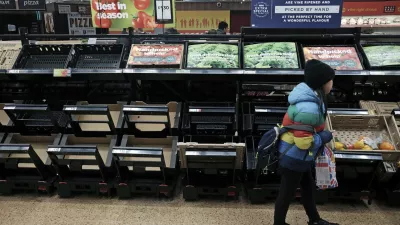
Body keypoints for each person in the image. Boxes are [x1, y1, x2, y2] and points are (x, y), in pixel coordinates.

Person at [274, 59, 338, 225]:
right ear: (322, 82)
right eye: (331, 81)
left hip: (300, 156)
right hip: (295, 155)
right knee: (286, 193)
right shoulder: (309, 106)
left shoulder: (312, 99)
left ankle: (314, 220)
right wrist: (325, 136)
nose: (332, 84)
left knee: (308, 188)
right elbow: (304, 142)